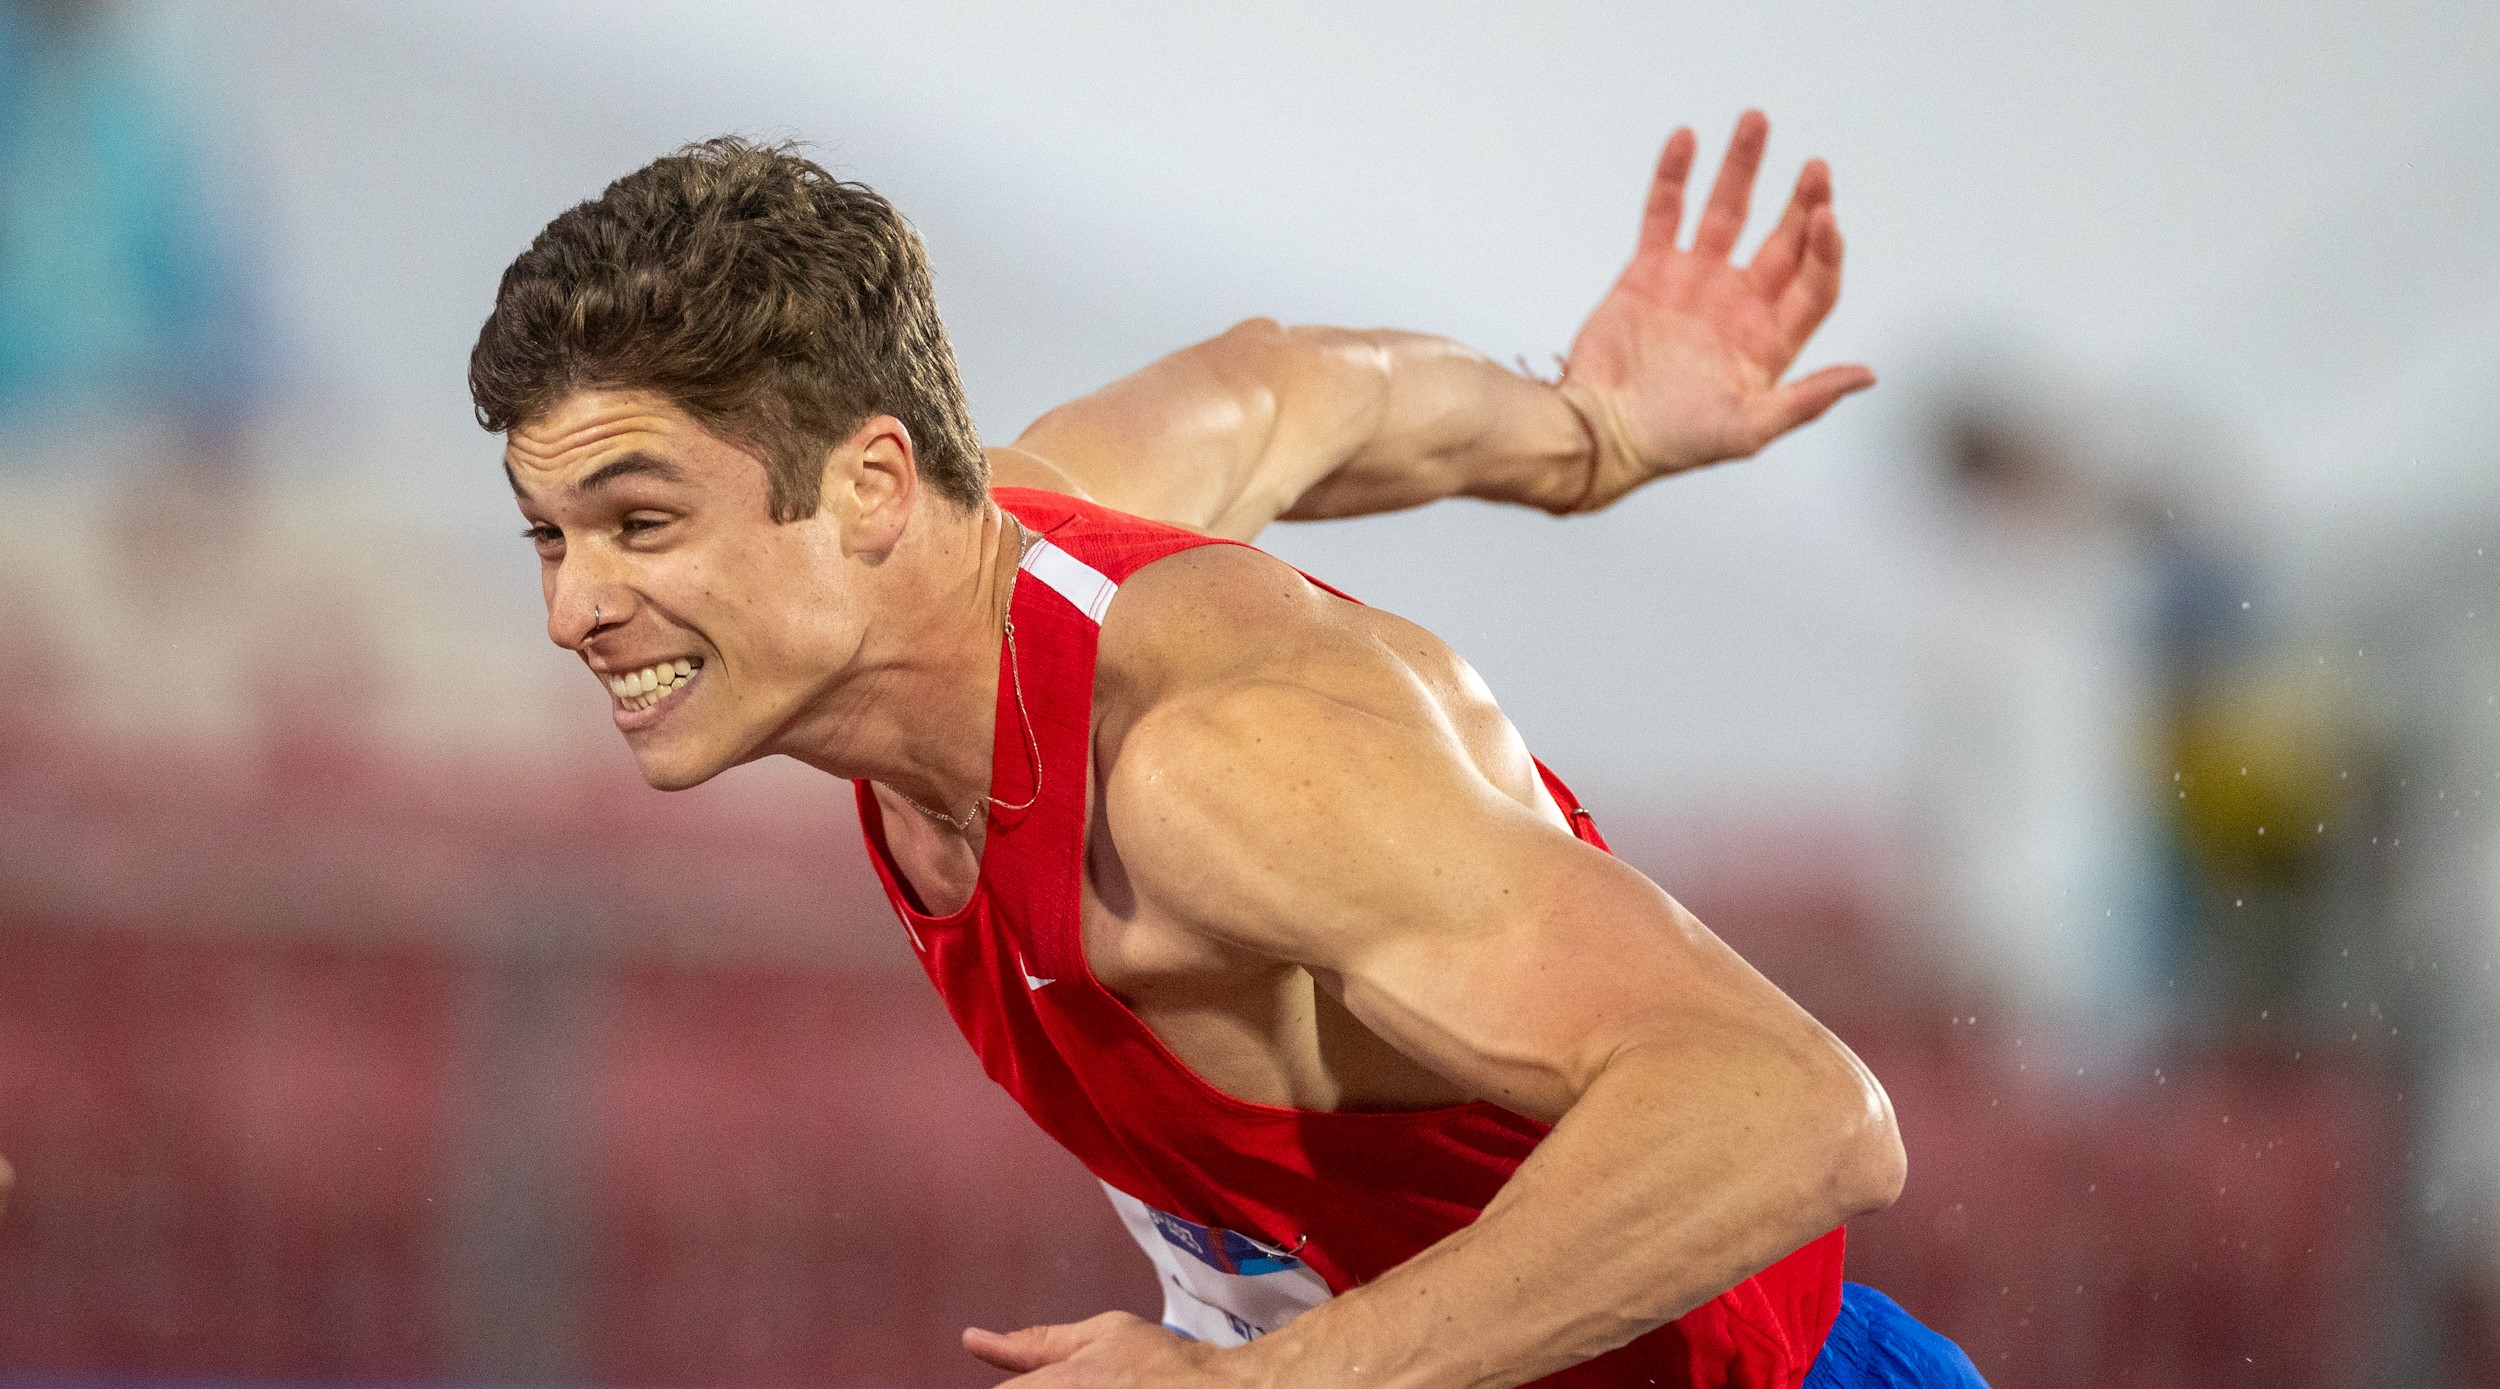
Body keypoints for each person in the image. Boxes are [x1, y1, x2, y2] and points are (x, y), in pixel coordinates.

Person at [471, 111, 1985, 1389]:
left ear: (870, 486)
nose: (573, 610)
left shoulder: (1212, 766)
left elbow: (1793, 1112)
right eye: (551, 535)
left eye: (640, 523)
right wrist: (1592, 431)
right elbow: (1299, 390)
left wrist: (1258, 1385)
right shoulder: (980, 544)